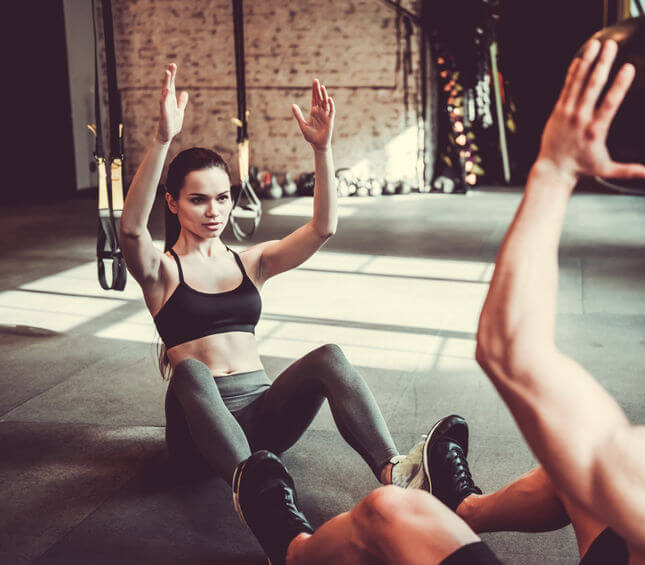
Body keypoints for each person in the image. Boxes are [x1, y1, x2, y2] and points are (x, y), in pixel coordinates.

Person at [253, 38, 645, 564]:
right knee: (566, 476)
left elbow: (511, 352)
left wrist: (556, 164)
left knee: (389, 512)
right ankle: (465, 505)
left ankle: (293, 550)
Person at [118, 63, 459, 563]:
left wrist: (322, 149)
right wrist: (161, 141)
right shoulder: (161, 272)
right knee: (190, 371)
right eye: (197, 200)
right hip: (197, 432)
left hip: (261, 419)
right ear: (172, 203)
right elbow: (130, 232)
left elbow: (322, 228)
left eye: (222, 197)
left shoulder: (250, 261)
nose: (214, 210)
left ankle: (396, 472)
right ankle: (261, 503)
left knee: (329, 357)